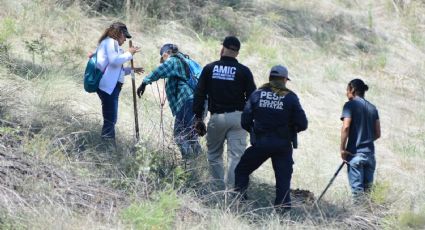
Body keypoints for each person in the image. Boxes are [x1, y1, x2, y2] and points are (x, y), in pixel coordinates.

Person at [234, 65, 308, 212]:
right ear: (284, 80)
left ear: (270, 78)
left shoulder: (257, 94)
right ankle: (282, 211)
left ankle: (239, 203)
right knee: (283, 179)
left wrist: (254, 131)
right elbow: (303, 123)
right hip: (283, 145)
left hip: (261, 143)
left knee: (241, 170)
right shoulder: (291, 97)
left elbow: (245, 120)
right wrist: (290, 130)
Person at [193, 36, 257, 190]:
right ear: (237, 52)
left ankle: (219, 190)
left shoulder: (210, 68)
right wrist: (250, 121)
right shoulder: (244, 71)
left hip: (217, 117)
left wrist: (198, 118)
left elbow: (199, 94)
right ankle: (233, 193)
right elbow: (253, 98)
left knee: (214, 155)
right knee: (236, 157)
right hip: (239, 119)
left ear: (223, 48)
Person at [136, 44, 202, 158]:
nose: (164, 59)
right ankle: (198, 160)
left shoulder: (174, 60)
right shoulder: (185, 61)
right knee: (191, 134)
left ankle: (188, 161)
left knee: (179, 134)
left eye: (163, 56)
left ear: (168, 52)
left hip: (186, 101)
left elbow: (160, 71)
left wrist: (144, 82)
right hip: (195, 101)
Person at [96, 22, 143, 140]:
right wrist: (130, 53)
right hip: (109, 87)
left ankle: (107, 145)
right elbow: (114, 61)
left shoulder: (112, 44)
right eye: (125, 36)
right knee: (110, 119)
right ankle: (107, 147)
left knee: (111, 118)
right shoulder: (110, 42)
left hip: (112, 87)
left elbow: (116, 69)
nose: (125, 40)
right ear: (119, 33)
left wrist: (131, 70)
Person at [340, 78, 381, 202]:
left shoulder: (350, 105)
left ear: (352, 90)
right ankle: (369, 220)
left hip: (355, 155)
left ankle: (358, 220)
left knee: (358, 196)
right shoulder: (373, 108)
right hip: (370, 156)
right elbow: (378, 133)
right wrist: (366, 140)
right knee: (368, 195)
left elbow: (346, 127)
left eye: (347, 90)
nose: (346, 93)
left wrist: (342, 148)